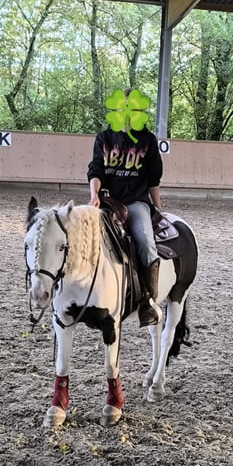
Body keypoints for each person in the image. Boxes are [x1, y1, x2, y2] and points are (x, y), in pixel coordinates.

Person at [87, 105, 164, 327]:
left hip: (135, 202)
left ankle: (148, 301)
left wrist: (157, 207)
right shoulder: (104, 138)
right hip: (107, 201)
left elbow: (153, 179)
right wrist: (94, 195)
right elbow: (96, 170)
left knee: (146, 243)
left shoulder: (148, 140)